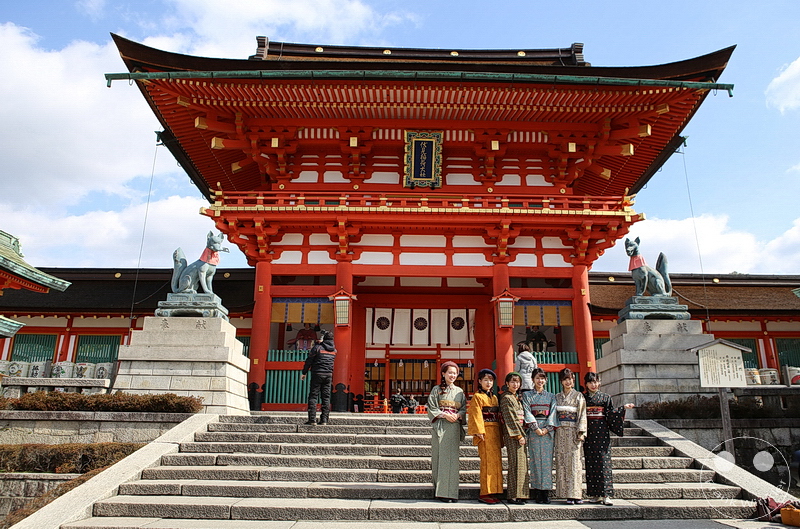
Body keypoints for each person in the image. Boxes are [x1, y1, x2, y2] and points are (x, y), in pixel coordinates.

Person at [583, 372, 634, 506]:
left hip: (602, 433)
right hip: (588, 433)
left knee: (603, 462)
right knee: (591, 463)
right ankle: (594, 494)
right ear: (586, 384)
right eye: (591, 382)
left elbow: (611, 414)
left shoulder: (606, 398)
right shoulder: (583, 398)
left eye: (596, 382)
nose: (594, 385)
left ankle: (606, 494)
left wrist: (623, 408)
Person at [428, 361, 466, 503]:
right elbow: (432, 408)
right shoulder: (436, 390)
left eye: (455, 373)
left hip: (454, 426)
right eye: (450, 372)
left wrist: (458, 415)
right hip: (441, 426)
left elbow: (463, 409)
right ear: (443, 373)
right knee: (440, 458)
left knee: (453, 460)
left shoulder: (460, 392)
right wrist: (445, 415)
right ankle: (441, 492)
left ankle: (452, 492)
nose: (452, 375)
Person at [522, 367, 558, 504]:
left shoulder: (551, 396)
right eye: (537, 378)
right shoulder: (527, 396)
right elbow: (527, 411)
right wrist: (535, 427)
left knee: (547, 461)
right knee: (535, 460)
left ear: (546, 380)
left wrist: (547, 428)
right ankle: (537, 490)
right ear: (532, 380)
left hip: (547, 431)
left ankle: (546, 492)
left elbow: (553, 413)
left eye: (542, 378)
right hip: (534, 430)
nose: (540, 380)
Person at [468, 368, 503, 504]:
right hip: (485, 431)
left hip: (495, 432)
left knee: (496, 463)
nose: (489, 383)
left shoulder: (494, 397)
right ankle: (485, 492)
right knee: (487, 463)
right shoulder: (477, 397)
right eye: (486, 380)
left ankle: (495, 490)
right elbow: (476, 414)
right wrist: (479, 431)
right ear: (480, 381)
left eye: (491, 380)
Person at [554, 367, 587, 504]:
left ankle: (576, 494)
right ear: (561, 381)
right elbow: (553, 416)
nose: (568, 382)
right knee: (562, 462)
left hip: (573, 432)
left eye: (570, 379)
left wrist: (581, 432)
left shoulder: (578, 396)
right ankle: (565, 494)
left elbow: (582, 414)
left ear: (573, 380)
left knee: (575, 463)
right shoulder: (557, 397)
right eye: (565, 379)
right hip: (560, 432)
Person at [499, 371, 530, 505]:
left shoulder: (516, 397)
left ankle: (521, 494)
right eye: (512, 382)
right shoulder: (506, 398)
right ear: (507, 383)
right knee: (515, 464)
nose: (515, 384)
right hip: (514, 435)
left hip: (520, 433)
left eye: (517, 382)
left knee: (522, 464)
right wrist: (519, 435)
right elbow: (510, 418)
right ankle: (513, 495)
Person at [300, 330, 336, 425]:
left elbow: (309, 360)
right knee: (326, 397)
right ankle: (324, 419)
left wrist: (304, 372)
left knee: (313, 395)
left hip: (317, 373)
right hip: (328, 374)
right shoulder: (334, 350)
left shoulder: (317, 348)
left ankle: (312, 419)